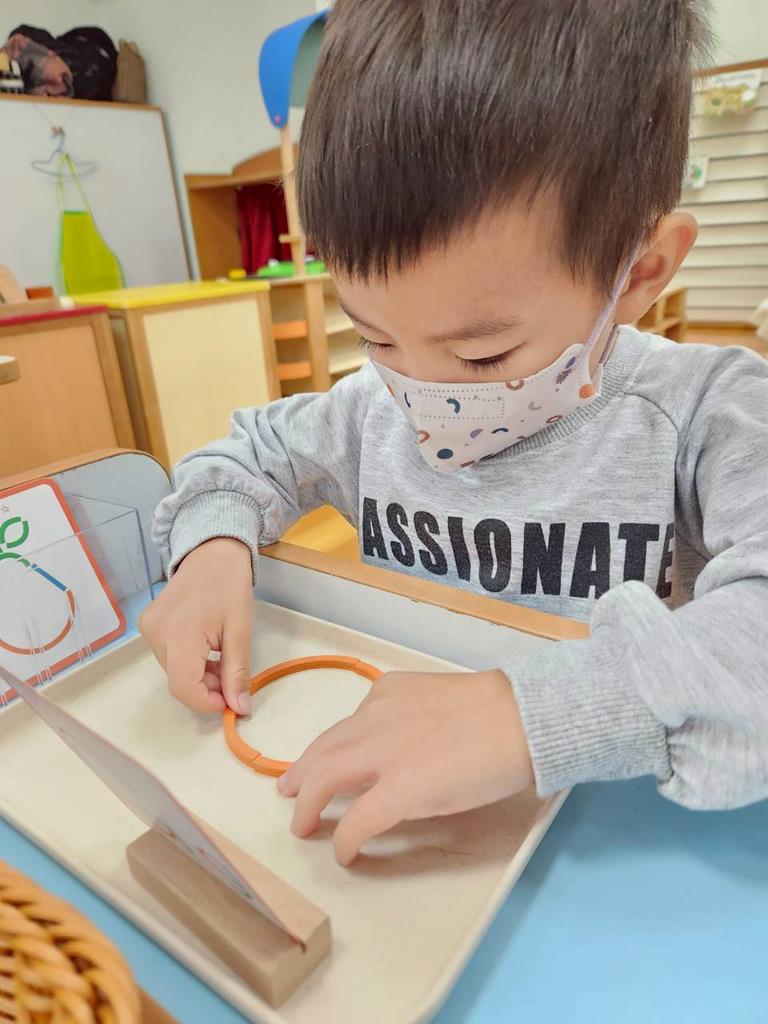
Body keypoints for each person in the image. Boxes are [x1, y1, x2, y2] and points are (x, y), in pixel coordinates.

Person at [140, 0, 768, 866]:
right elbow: (246, 454)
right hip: (413, 832)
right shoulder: (369, 408)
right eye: (376, 336)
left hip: (610, 832)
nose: (421, 391)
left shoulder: (708, 412)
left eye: (482, 355)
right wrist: (211, 547)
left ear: (639, 272)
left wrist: (532, 716)